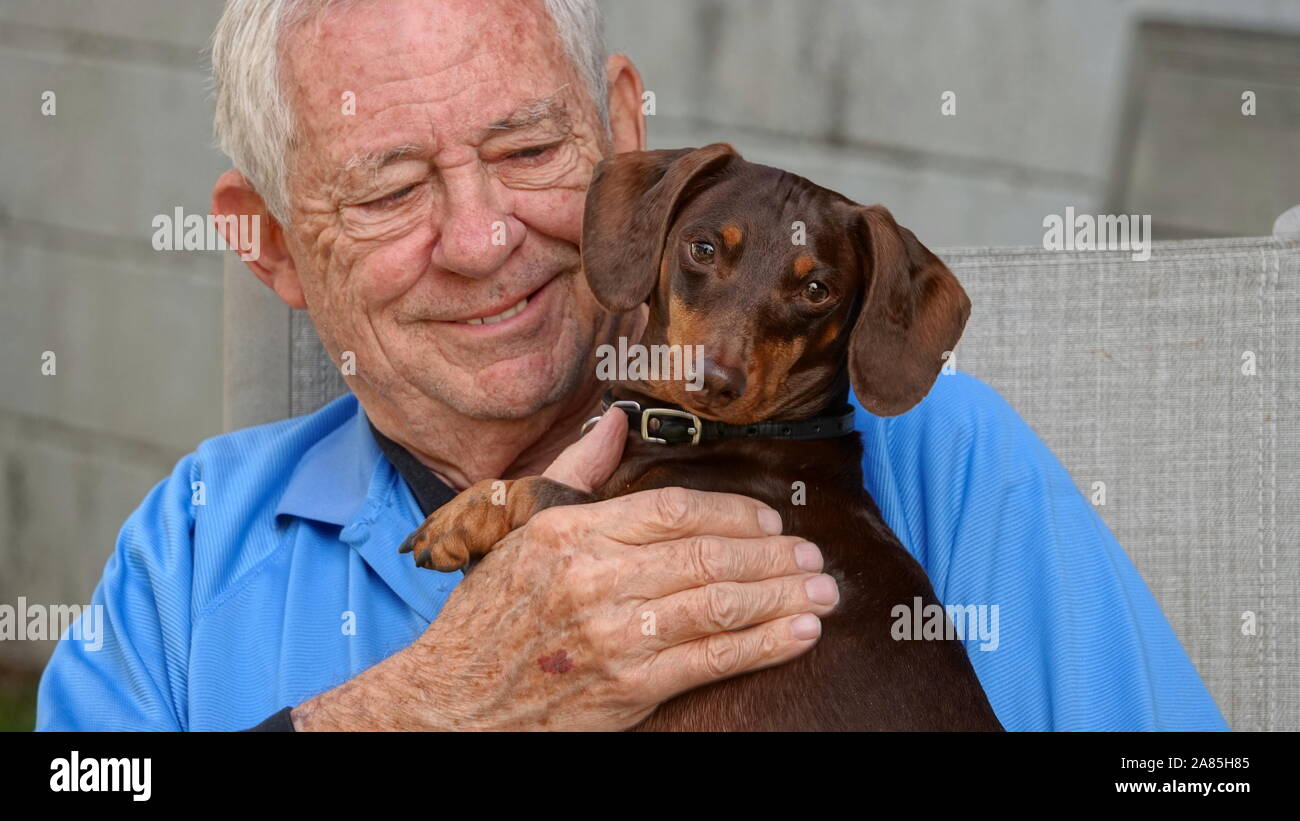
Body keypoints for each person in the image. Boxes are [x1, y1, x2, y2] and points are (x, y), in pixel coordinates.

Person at [36, 0, 1227, 731]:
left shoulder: (936, 459)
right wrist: (418, 712)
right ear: (272, 244)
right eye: (392, 189)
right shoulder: (191, 548)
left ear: (620, 130)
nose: (483, 238)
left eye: (528, 145)